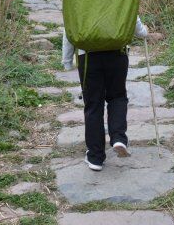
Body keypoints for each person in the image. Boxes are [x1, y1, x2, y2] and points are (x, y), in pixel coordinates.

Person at [62, 17, 148, 171]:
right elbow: (130, 12)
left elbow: (70, 25)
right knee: (118, 97)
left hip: (88, 55)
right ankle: (118, 138)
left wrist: (67, 60)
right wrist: (143, 32)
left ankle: (95, 157)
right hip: (117, 51)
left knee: (93, 105)